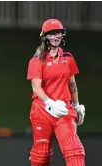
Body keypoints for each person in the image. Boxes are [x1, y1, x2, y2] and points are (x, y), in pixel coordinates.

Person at [27, 18, 86, 166]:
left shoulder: (68, 57)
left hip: (64, 110)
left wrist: (77, 105)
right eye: (51, 34)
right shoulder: (37, 60)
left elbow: (72, 84)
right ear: (45, 37)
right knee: (41, 156)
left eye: (58, 33)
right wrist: (50, 104)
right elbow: (36, 87)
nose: (55, 37)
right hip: (42, 110)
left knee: (75, 151)